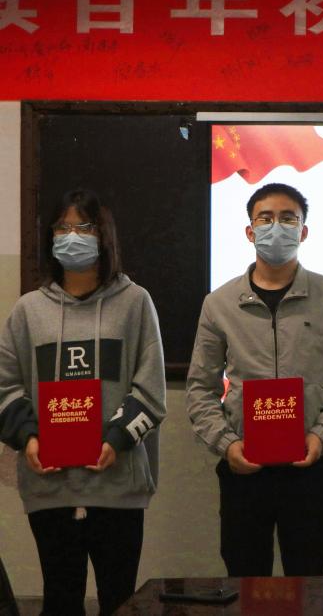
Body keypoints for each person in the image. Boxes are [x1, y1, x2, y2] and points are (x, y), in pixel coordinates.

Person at [186, 182, 323, 576]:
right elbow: (200, 388)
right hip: (243, 469)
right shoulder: (219, 303)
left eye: (288, 219)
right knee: (245, 581)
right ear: (250, 232)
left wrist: (322, 435)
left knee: (309, 582)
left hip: (307, 468)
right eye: (265, 219)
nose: (276, 227)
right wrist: (227, 444)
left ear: (303, 232)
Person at [0, 189, 166, 616]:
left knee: (119, 601)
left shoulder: (135, 303)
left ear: (103, 235)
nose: (72, 236)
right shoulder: (27, 311)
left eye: (83, 227)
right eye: (62, 228)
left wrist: (116, 440)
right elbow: (6, 386)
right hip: (50, 488)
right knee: (60, 601)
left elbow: (150, 389)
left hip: (118, 486)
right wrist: (28, 439)